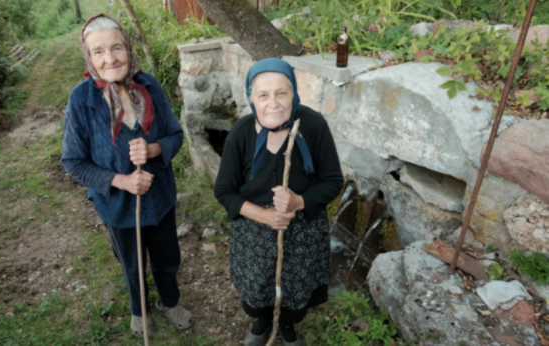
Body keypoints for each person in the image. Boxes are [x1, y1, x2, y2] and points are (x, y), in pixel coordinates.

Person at [61, 14, 193, 339]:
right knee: (132, 264)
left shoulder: (148, 86)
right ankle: (139, 310)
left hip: (160, 197)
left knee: (167, 256)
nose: (110, 58)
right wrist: (121, 181)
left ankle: (169, 301)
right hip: (118, 208)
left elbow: (175, 135)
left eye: (116, 47)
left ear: (127, 47)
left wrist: (153, 151)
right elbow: (74, 162)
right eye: (99, 52)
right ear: (88, 57)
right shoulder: (82, 100)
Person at [214, 58, 344, 346]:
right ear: (252, 98)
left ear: (294, 93)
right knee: (259, 285)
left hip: (302, 232)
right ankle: (263, 322)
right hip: (254, 231)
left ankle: (287, 326)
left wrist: (299, 201)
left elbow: (334, 181)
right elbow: (224, 191)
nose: (273, 103)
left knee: (295, 289)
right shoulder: (241, 132)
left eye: (281, 93)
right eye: (263, 95)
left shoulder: (313, 126)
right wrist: (265, 216)